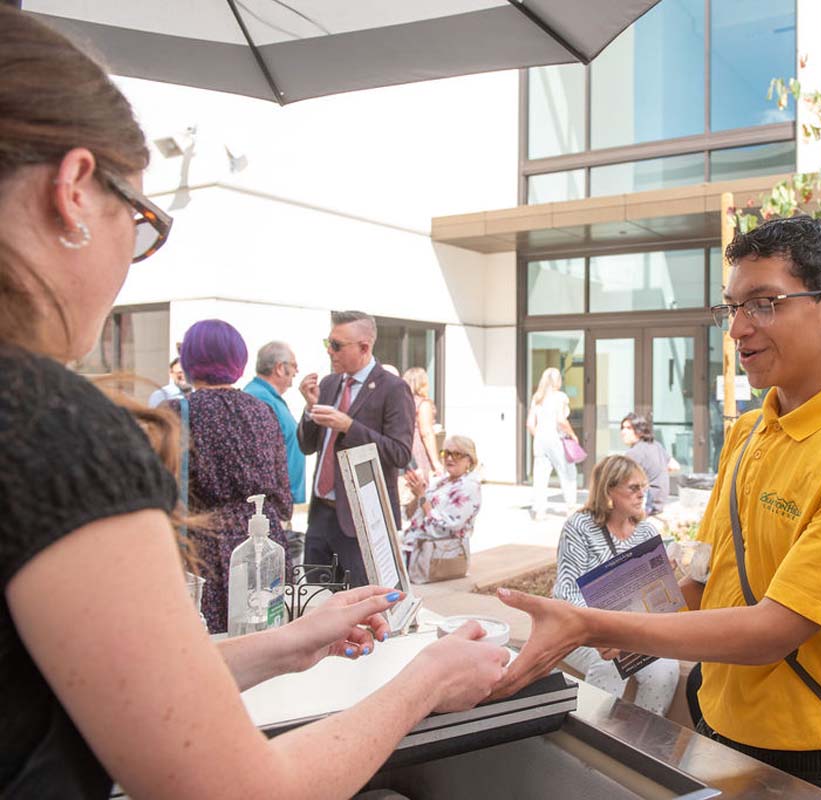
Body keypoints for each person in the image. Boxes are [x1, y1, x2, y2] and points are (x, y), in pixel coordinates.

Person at [0, 10, 506, 798]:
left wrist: (288, 643)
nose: (131, 261)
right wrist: (427, 683)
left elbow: (124, 680)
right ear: (73, 191)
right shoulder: (53, 430)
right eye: (138, 224)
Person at [495, 216, 821, 799]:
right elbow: (707, 574)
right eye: (732, 308)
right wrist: (626, 623)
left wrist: (591, 622)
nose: (739, 330)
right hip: (717, 726)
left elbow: (774, 631)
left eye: (764, 304)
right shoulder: (749, 432)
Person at [165, 320, 293, 633]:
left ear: (191, 361)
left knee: (212, 650)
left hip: (202, 548)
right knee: (267, 644)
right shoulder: (263, 411)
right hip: (264, 543)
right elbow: (283, 496)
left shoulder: (176, 413)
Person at [552, 455, 681, 715]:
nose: (641, 495)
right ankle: (594, 735)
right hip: (582, 629)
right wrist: (608, 626)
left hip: (633, 632)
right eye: (634, 488)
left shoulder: (646, 532)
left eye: (644, 488)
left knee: (667, 669)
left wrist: (665, 578)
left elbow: (654, 600)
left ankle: (642, 740)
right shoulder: (580, 527)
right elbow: (566, 593)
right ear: (609, 489)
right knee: (611, 662)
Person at [298, 311, 414, 587]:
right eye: (328, 343)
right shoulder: (328, 384)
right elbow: (306, 445)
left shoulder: (393, 389)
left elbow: (399, 453)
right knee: (317, 606)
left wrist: (350, 427)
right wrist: (308, 408)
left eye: (337, 345)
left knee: (361, 610)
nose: (330, 352)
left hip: (361, 521)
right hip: (320, 516)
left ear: (364, 347)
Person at [402, 435, 482, 583]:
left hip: (437, 555)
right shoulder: (441, 481)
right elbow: (410, 515)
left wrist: (422, 496)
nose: (449, 458)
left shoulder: (469, 487)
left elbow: (446, 527)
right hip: (413, 549)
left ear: (469, 460)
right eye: (446, 453)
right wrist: (417, 493)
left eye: (457, 454)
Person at [243, 340, 307, 506]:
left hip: (280, 502)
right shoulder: (259, 399)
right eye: (294, 365)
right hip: (271, 505)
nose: (296, 371)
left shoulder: (269, 397)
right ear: (279, 368)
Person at [527, 366, 578, 520]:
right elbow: (561, 420)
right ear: (557, 381)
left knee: (540, 476)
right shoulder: (560, 397)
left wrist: (540, 436)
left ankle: (540, 511)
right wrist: (573, 435)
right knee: (567, 472)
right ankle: (570, 508)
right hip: (556, 438)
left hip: (540, 439)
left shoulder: (537, 398)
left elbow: (530, 424)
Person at [619, 413, 673, 515]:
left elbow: (619, 479)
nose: (623, 432)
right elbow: (674, 466)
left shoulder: (634, 453)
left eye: (629, 428)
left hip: (647, 504)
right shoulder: (656, 445)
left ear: (639, 431)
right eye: (622, 428)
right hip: (659, 502)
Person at [403, 366, 442, 478]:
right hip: (417, 448)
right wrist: (435, 462)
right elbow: (426, 433)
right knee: (420, 485)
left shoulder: (401, 401)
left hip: (405, 447)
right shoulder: (423, 404)